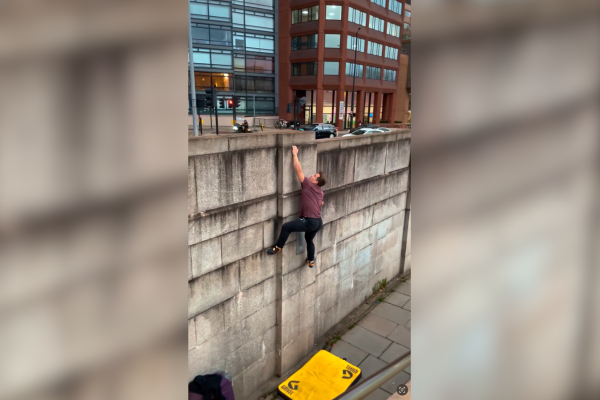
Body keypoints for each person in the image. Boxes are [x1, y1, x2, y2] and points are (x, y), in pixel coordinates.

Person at [267, 146, 326, 268]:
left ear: (315, 182)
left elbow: (298, 170)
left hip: (310, 221)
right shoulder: (320, 191)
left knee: (286, 227)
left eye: (314, 176)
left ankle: (278, 247)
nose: (311, 175)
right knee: (309, 240)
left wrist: (295, 154)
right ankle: (311, 261)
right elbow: (321, 203)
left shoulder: (308, 185)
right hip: (318, 222)